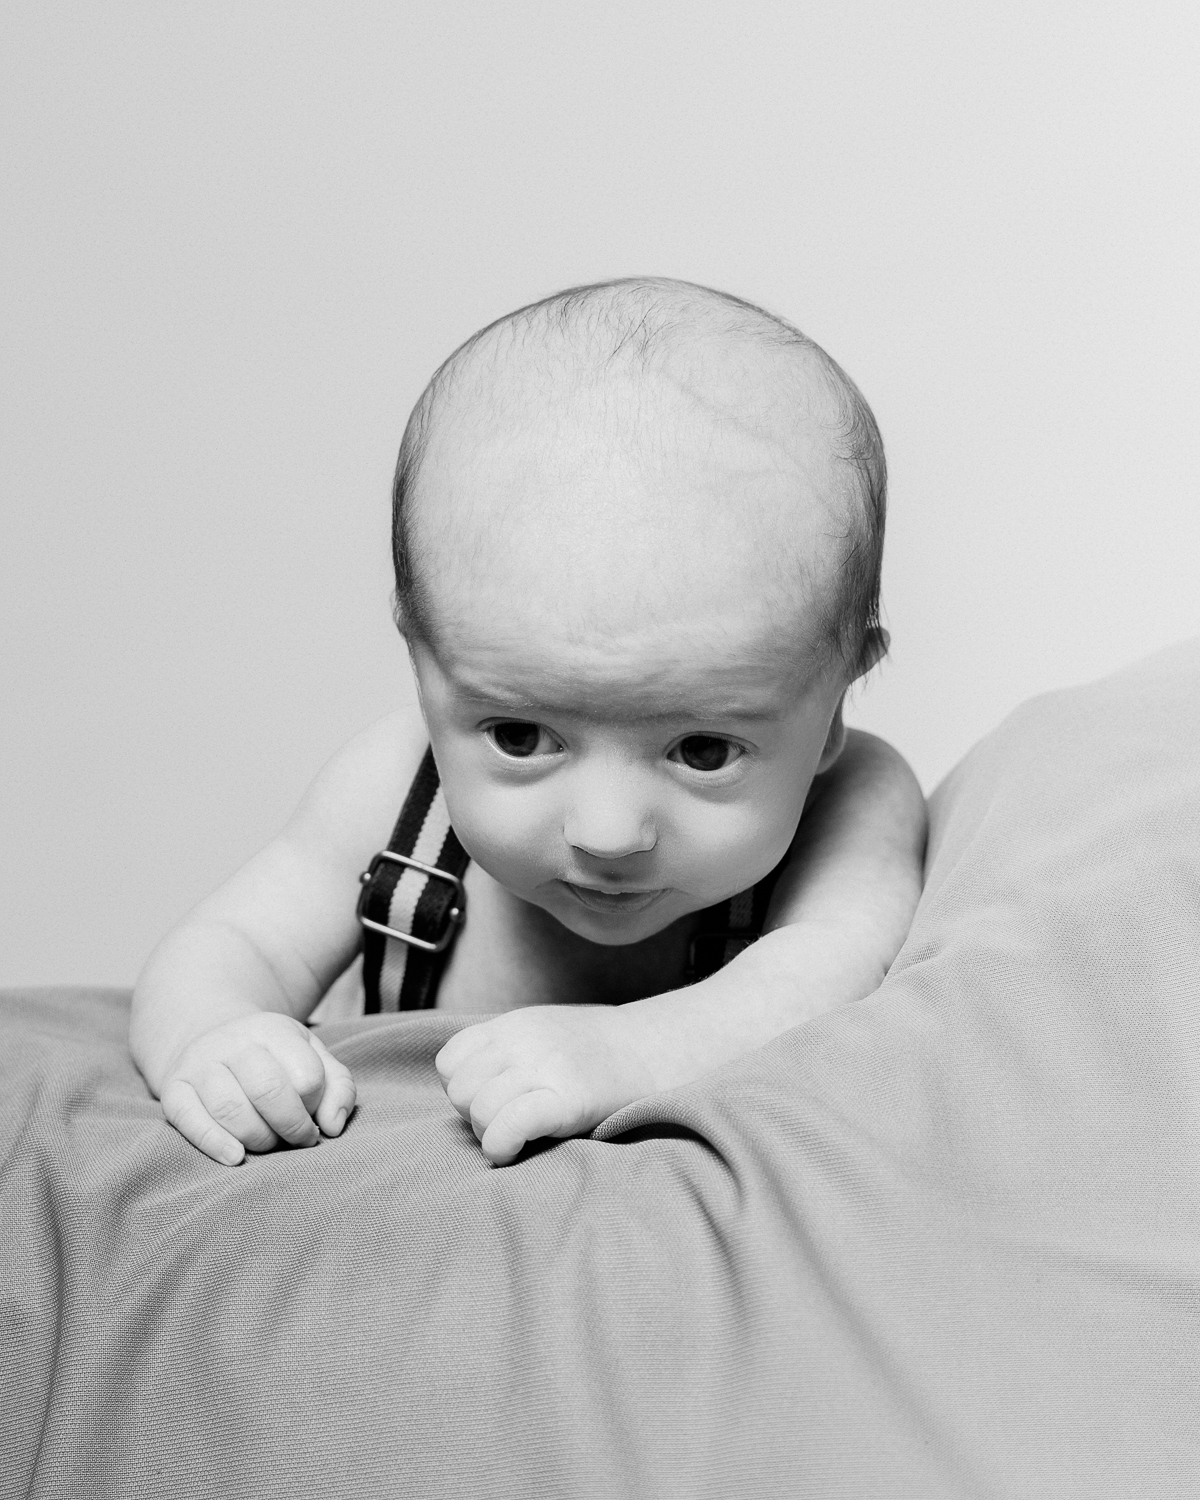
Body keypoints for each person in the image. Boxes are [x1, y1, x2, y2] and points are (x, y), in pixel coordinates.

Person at [129, 277, 927, 1167]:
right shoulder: (396, 791)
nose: (608, 834)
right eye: (519, 738)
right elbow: (226, 946)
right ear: (424, 663)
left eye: (704, 751)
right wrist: (219, 1040)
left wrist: (635, 1051)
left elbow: (832, 973)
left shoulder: (855, 799)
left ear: (835, 703)